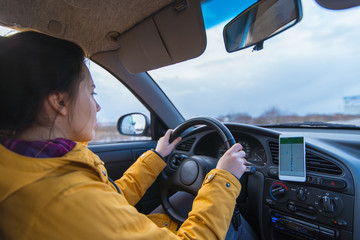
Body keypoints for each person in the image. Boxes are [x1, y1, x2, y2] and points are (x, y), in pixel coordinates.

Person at [0, 31, 256, 239]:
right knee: (233, 223)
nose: (97, 106)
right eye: (92, 92)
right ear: (59, 102)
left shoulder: (37, 168)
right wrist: (224, 179)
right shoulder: (64, 198)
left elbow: (112, 198)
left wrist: (157, 156)